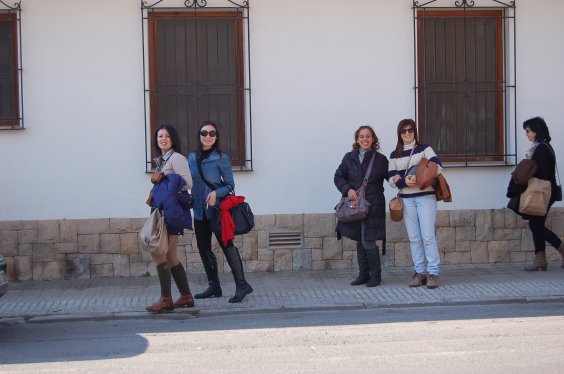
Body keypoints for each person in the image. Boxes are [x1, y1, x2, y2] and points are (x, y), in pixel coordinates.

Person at [188, 121, 253, 303]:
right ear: (199, 135)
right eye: (204, 132)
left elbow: (230, 186)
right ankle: (214, 286)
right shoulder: (191, 158)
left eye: (212, 133)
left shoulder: (221, 158)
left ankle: (242, 285)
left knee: (227, 246)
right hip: (199, 211)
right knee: (203, 248)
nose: (207, 136)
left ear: (216, 137)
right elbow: (188, 181)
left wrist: (216, 193)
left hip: (217, 212)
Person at [388, 119, 442, 289]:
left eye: (410, 130)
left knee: (428, 236)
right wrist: (405, 181)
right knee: (414, 238)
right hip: (406, 199)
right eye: (403, 130)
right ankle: (420, 272)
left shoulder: (424, 149)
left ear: (415, 132)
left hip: (425, 197)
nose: (407, 133)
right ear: (399, 133)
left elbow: (438, 167)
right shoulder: (394, 155)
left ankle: (432, 272)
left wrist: (417, 179)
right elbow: (390, 179)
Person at [146, 124, 195, 313]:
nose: (163, 139)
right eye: (160, 136)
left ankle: (166, 299)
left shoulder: (176, 158)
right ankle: (186, 296)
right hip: (162, 212)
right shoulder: (161, 160)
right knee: (170, 255)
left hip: (171, 213)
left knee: (159, 252)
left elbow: (188, 183)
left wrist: (166, 179)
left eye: (166, 136)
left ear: (173, 139)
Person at [334, 125, 389, 287]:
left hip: (373, 206)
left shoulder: (381, 160)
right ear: (357, 140)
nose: (365, 139)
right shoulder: (349, 158)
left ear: (373, 139)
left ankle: (376, 276)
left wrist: (402, 183)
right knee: (360, 239)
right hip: (354, 206)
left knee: (368, 241)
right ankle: (363, 274)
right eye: (361, 136)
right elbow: (338, 176)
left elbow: (391, 178)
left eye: (368, 136)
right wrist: (348, 189)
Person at [519, 117, 563, 271]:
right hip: (543, 192)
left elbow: (543, 172)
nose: (527, 134)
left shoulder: (541, 149)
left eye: (528, 131)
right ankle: (540, 259)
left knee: (536, 225)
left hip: (543, 193)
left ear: (536, 131)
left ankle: (558, 249)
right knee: (536, 224)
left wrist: (527, 173)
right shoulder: (541, 147)